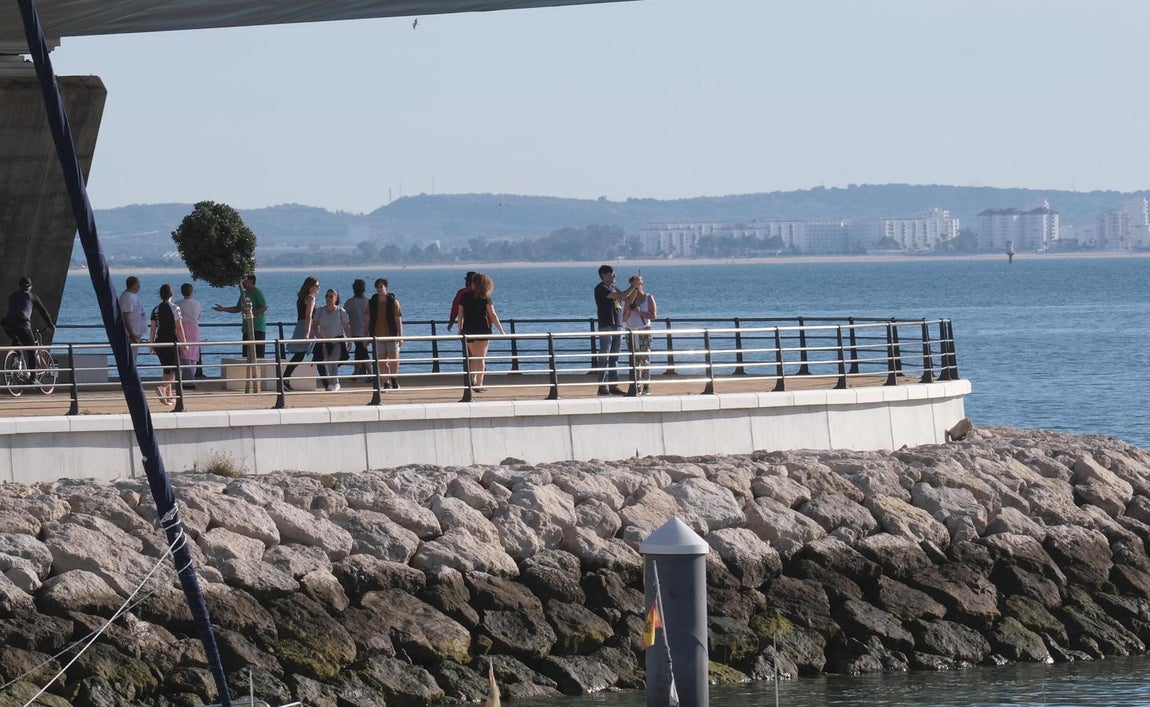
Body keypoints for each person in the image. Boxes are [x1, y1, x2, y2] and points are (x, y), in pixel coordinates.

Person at [456, 272, 504, 392]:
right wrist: (501, 330)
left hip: (468, 329)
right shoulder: (485, 298)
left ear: (473, 284)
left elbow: (460, 316)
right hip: (483, 329)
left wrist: (459, 330)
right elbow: (493, 315)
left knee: (473, 357)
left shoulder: (464, 297)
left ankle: (472, 379)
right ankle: (480, 383)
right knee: (481, 358)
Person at [593, 264, 634, 396]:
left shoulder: (615, 288)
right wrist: (632, 287)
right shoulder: (601, 288)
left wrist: (636, 289)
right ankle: (602, 386)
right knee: (604, 356)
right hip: (606, 325)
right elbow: (621, 296)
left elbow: (627, 299)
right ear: (604, 275)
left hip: (618, 324)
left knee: (614, 357)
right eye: (611, 273)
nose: (614, 276)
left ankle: (613, 385)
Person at [4, 276, 55, 375]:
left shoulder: (13, 296)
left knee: (16, 340)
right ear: (30, 287)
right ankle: (33, 378)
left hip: (9, 326)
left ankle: (17, 361)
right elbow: (44, 313)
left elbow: (12, 312)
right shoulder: (32, 296)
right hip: (23, 326)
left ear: (19, 286)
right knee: (32, 350)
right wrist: (50, 325)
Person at [148, 283, 187, 407]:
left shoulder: (155, 309)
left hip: (159, 341)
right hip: (171, 341)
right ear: (172, 294)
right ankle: (162, 388)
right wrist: (184, 343)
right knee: (175, 369)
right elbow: (179, 327)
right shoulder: (175, 308)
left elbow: (153, 329)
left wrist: (151, 344)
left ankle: (169, 396)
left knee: (167, 369)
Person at [212, 274, 268, 359]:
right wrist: (223, 309)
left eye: (244, 280)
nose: (243, 283)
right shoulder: (244, 294)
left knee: (258, 355)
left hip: (257, 327)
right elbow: (238, 308)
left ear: (251, 281)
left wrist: (251, 313)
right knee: (246, 355)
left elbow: (264, 307)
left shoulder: (257, 292)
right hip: (246, 328)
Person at [623, 274, 658, 395]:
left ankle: (646, 387)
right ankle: (636, 386)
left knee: (645, 359)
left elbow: (653, 316)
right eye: (634, 284)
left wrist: (640, 312)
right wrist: (628, 309)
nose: (637, 286)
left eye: (639, 283)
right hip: (630, 331)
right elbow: (624, 318)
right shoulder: (628, 300)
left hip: (643, 330)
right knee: (633, 360)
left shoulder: (648, 297)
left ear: (642, 284)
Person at [282, 276, 319, 390]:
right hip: (306, 326)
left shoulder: (301, 298)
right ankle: (285, 377)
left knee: (301, 354)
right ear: (311, 286)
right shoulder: (311, 298)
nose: (318, 288)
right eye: (317, 286)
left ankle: (286, 377)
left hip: (300, 325)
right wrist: (307, 333)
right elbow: (308, 316)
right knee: (302, 353)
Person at [367, 278, 403, 389]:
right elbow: (367, 321)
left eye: (381, 286)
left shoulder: (393, 302)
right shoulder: (372, 302)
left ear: (386, 288)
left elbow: (398, 321)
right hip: (378, 336)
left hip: (391, 335)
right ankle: (386, 383)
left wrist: (400, 337)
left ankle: (393, 378)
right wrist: (366, 337)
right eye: (377, 287)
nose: (379, 289)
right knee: (382, 363)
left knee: (394, 360)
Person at [313, 288, 351, 392]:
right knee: (324, 362)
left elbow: (346, 327)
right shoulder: (320, 311)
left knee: (333, 361)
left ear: (336, 298)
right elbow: (315, 325)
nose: (328, 298)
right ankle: (331, 383)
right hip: (324, 341)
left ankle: (335, 384)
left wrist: (350, 340)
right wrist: (318, 335)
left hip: (337, 340)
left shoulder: (340, 311)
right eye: (326, 296)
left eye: (331, 296)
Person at [177, 283, 202, 387]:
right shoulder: (197, 304)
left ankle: (188, 379)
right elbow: (199, 316)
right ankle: (189, 378)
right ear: (192, 291)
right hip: (194, 328)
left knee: (184, 354)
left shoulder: (177, 303)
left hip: (182, 328)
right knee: (193, 354)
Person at [345, 278, 370, 377]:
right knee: (361, 350)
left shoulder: (350, 302)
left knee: (361, 351)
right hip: (367, 331)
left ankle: (368, 372)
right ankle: (358, 372)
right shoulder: (368, 302)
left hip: (355, 331)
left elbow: (343, 315)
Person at [119, 275, 147, 358]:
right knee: (131, 357)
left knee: (134, 356)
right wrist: (131, 334)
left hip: (136, 332)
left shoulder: (131, 296)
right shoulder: (127, 297)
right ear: (134, 285)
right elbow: (125, 317)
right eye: (138, 284)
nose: (139, 286)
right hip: (132, 334)